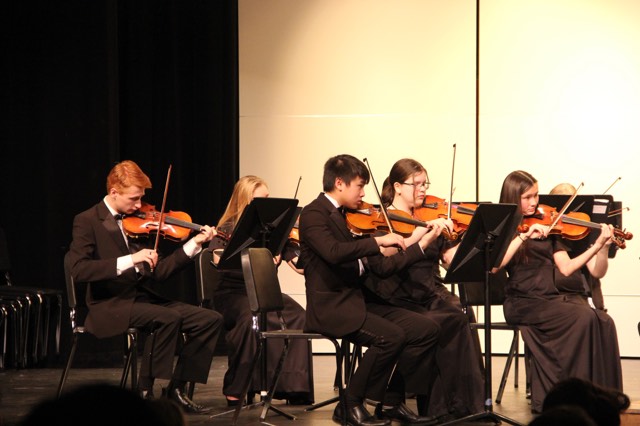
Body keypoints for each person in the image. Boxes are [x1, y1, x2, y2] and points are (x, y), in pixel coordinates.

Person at [67, 160, 222, 414]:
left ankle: (176, 388)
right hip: (110, 304)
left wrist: (195, 243)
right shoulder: (87, 220)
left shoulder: (136, 222)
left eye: (141, 198)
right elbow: (79, 270)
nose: (139, 206)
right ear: (114, 192)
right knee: (167, 317)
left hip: (142, 299)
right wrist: (131, 259)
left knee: (210, 319)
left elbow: (159, 272)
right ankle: (145, 392)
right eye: (133, 199)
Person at [299, 154, 442, 426]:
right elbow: (333, 252)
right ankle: (349, 404)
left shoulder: (351, 216)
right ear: (339, 183)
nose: (364, 193)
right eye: (359, 186)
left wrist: (414, 244)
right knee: (390, 338)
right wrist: (376, 244)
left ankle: (391, 402)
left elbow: (381, 267)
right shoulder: (313, 213)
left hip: (359, 301)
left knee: (426, 330)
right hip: (333, 307)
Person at [361, 158, 485, 420]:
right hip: (395, 295)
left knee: (459, 316)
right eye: (416, 184)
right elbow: (386, 264)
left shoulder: (428, 217)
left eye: (424, 183)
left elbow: (450, 260)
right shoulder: (382, 220)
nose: (422, 189)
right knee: (442, 322)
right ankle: (434, 406)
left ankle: (460, 406)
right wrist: (423, 238)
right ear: (397, 186)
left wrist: (464, 236)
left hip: (427, 292)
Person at [494, 170, 623, 413]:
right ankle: (567, 398)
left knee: (602, 321)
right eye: (528, 197)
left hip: (548, 298)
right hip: (522, 301)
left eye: (536, 195)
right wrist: (522, 237)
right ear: (514, 197)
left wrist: (598, 246)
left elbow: (566, 268)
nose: (535, 202)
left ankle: (600, 398)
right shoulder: (505, 227)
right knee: (583, 317)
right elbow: (495, 264)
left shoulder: (547, 224)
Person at [208, 175, 314, 406]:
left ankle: (292, 386)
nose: (267, 203)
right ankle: (237, 386)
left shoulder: (274, 231)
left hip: (265, 292)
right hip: (234, 294)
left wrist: (310, 254)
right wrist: (259, 258)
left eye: (268, 198)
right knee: (251, 320)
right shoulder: (226, 229)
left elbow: (299, 267)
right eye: (261, 199)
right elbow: (219, 260)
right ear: (245, 201)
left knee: (299, 316)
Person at [549, 183, 607, 310]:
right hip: (556, 298)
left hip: (582, 296)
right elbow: (565, 269)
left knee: (603, 320)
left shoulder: (582, 233)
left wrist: (603, 247)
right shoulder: (548, 235)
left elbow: (597, 272)